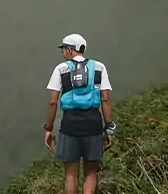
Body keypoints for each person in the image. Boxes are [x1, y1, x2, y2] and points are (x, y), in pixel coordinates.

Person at [44, 34, 115, 194]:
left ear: (70, 50)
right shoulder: (99, 67)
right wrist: (109, 127)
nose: (62, 52)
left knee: (70, 173)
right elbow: (105, 99)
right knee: (90, 173)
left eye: (64, 49)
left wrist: (49, 128)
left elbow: (53, 102)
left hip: (70, 124)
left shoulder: (61, 69)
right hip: (93, 123)